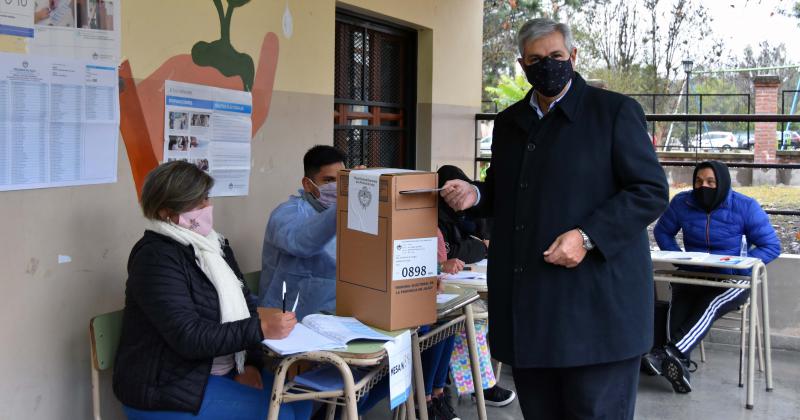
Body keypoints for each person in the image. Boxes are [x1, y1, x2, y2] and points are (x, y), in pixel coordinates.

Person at [440, 18, 669, 420]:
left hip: (598, 313)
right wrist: (475, 193)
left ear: (573, 56)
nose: (548, 65)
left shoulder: (614, 113)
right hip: (531, 311)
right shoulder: (510, 123)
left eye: (556, 56)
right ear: (522, 65)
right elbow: (508, 187)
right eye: (536, 59)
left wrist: (587, 236)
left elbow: (649, 191)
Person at [113, 161, 311, 420]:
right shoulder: (155, 257)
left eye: (206, 198)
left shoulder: (214, 245)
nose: (207, 207)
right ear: (165, 211)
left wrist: (249, 364)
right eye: (196, 203)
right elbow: (189, 336)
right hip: (168, 387)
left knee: (305, 401)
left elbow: (245, 308)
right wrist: (261, 328)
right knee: (283, 415)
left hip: (221, 370)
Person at [648, 161, 781, 393]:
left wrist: (740, 268)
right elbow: (662, 231)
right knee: (678, 296)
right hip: (695, 274)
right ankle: (678, 363)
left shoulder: (745, 206)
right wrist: (679, 260)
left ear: (722, 182)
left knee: (709, 304)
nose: (704, 187)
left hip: (733, 280)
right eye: (699, 182)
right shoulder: (683, 202)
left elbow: (771, 246)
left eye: (711, 182)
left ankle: (670, 353)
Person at [436, 166, 516, 408]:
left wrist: (479, 244)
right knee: (466, 320)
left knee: (477, 317)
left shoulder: (473, 207)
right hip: (441, 288)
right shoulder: (434, 214)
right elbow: (454, 250)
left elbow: (490, 235)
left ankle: (475, 384)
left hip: (460, 281)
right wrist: (481, 245)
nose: (455, 198)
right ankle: (475, 386)